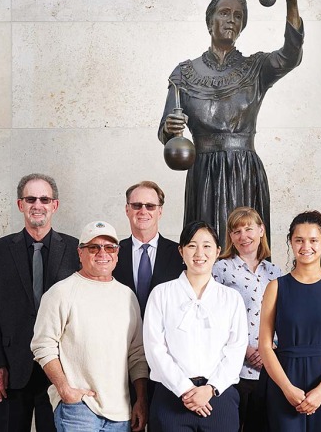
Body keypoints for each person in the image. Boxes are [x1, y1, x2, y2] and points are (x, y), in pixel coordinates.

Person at [159, 0, 304, 246]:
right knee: (204, 246)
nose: (231, 20)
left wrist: (291, 0)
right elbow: (166, 133)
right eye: (225, 13)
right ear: (209, 21)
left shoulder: (256, 68)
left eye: (238, 17)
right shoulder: (184, 73)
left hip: (244, 170)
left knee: (245, 247)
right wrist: (170, 129)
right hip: (203, 172)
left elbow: (291, 55)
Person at [0, 173, 80, 432]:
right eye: (31, 198)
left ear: (54, 205)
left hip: (59, 371)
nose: (38, 205)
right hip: (11, 370)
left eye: (44, 199)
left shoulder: (75, 249)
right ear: (20, 204)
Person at [31, 221, 149, 431]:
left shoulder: (127, 296)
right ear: (80, 252)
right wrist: (65, 390)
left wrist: (140, 399)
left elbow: (137, 353)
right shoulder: (62, 292)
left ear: (117, 253)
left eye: (110, 247)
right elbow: (42, 345)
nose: (102, 253)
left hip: (121, 411)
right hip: (79, 409)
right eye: (94, 247)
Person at [143, 221, 248, 431]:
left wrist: (210, 389)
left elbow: (236, 350)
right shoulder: (161, 294)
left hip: (218, 397)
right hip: (171, 398)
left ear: (218, 251)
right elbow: (154, 349)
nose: (200, 253)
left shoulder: (231, 298)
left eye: (207, 246)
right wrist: (185, 389)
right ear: (181, 251)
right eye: (192, 245)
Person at [259, 210, 321, 431]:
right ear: (291, 242)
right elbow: (265, 345)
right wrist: (287, 388)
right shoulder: (276, 287)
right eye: (299, 240)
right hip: (285, 380)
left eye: (313, 240)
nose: (305, 246)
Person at [212, 206, 281, 430]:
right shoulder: (220, 269)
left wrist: (269, 348)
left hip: (270, 368)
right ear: (230, 236)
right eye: (237, 231)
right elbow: (214, 318)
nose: (243, 236)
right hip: (234, 369)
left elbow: (283, 317)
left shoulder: (275, 273)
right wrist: (246, 350)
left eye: (249, 229)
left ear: (261, 230)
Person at [113, 180, 185, 316]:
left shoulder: (180, 254)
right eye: (136, 205)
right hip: (123, 334)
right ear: (127, 210)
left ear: (160, 211)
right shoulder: (112, 253)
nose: (143, 211)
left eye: (150, 206)